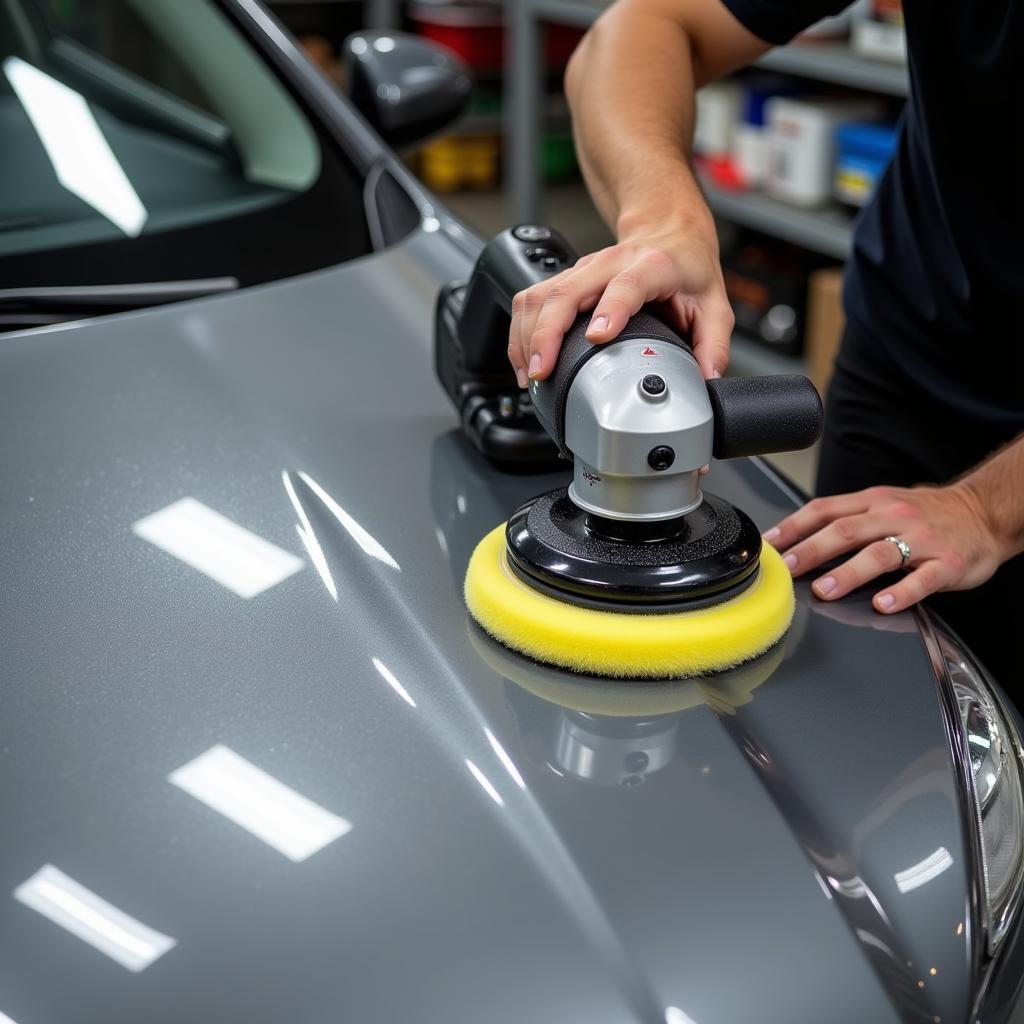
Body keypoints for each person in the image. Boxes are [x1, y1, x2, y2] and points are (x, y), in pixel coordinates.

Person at [506, 0, 1023, 685]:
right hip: (912, 343)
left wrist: (985, 509)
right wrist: (665, 217)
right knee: (865, 682)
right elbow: (640, 29)